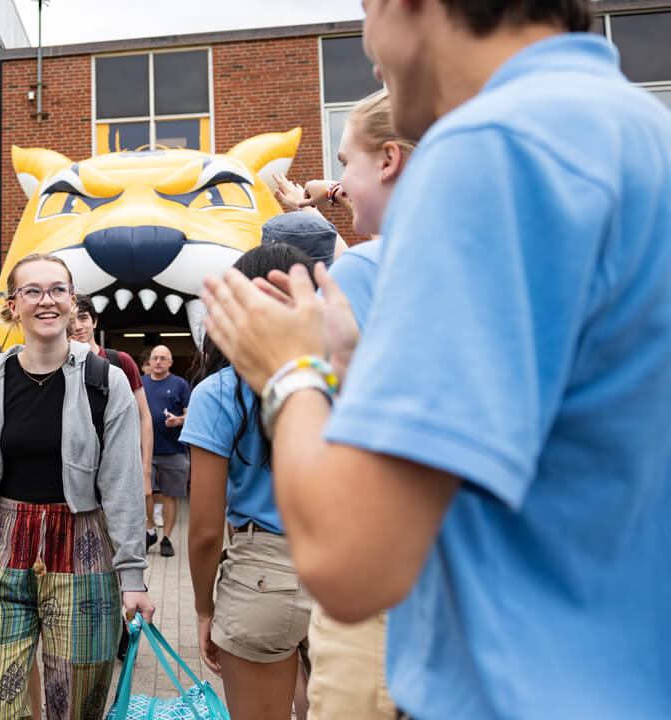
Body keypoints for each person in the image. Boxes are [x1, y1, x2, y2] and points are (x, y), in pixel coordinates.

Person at [200, 1, 671, 717]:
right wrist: (360, 371)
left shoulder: (492, 146)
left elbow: (351, 563)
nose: (368, 44)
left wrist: (291, 372)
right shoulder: (643, 131)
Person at [0, 253, 154, 720]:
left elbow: (123, 486)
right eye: (33, 291)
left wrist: (133, 577)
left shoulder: (107, 381)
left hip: (83, 547)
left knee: (77, 705)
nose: (48, 301)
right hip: (1, 549)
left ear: (72, 300)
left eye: (58, 290)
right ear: (12, 305)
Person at [270, 88, 415, 720]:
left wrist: (283, 374)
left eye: (344, 164)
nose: (337, 184)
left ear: (388, 160)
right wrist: (323, 202)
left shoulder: (359, 275)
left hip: (377, 591)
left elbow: (328, 467)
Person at [184, 244, 316, 720]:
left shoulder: (217, 393)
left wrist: (203, 607)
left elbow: (202, 531)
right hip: (346, 565)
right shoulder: (340, 378)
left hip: (260, 573)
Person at [70, 293, 155, 548]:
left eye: (83, 318)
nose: (77, 326)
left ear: (94, 322)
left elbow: (144, 417)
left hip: (119, 471)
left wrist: (145, 472)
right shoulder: (61, 364)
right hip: (79, 476)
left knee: (122, 545)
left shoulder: (120, 362)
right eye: (72, 320)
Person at [141, 344, 190, 557]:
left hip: (174, 450)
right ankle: (150, 529)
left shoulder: (180, 384)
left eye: (163, 358)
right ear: (149, 362)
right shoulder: (140, 384)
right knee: (145, 493)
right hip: (145, 451)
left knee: (171, 495)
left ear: (170, 362)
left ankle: (167, 538)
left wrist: (178, 420)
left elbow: (190, 415)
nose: (158, 362)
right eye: (155, 358)